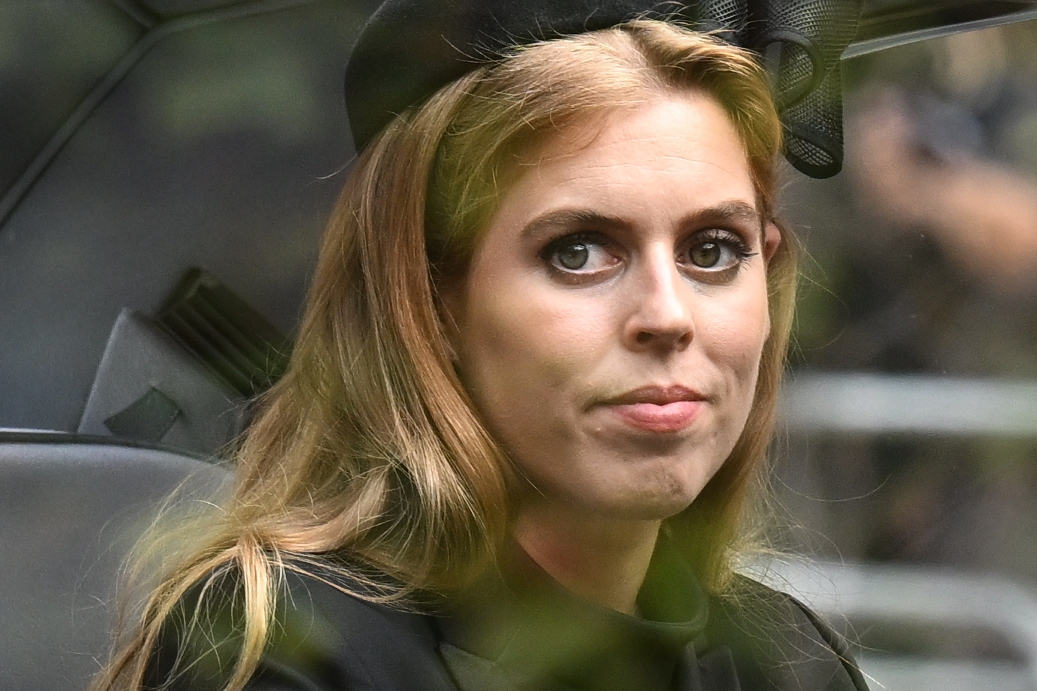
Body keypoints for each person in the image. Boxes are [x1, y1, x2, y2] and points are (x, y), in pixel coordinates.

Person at [93, 1, 869, 690]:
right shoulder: (286, 645)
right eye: (578, 251)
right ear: (430, 298)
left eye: (711, 250)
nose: (668, 315)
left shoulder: (788, 660)